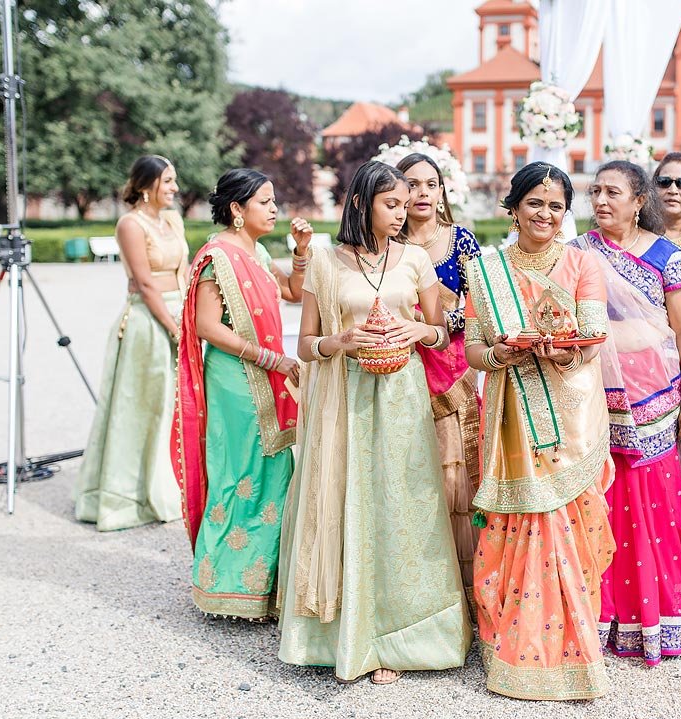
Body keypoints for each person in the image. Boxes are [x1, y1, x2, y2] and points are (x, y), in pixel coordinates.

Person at [277, 160, 470, 685]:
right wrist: (339, 341)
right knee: (350, 501)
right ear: (361, 203)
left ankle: (402, 636)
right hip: (347, 395)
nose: (402, 214)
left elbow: (439, 333)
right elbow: (305, 345)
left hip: (404, 398)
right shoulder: (324, 262)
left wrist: (417, 331)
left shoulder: (415, 260)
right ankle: (351, 634)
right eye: (392, 204)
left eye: (405, 205)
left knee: (403, 506)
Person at [464, 162, 615, 701]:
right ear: (514, 208)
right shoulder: (486, 270)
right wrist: (500, 354)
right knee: (520, 521)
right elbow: (473, 349)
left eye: (555, 206)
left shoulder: (582, 263)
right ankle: (513, 648)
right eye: (534, 203)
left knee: (567, 526)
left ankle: (573, 652)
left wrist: (560, 351)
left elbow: (592, 337)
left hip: (570, 415)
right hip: (513, 414)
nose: (545, 214)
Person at [571, 160, 681, 665]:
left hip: (657, 400)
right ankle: (602, 621)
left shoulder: (667, 256)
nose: (601, 201)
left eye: (613, 192)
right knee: (603, 505)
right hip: (595, 399)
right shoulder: (577, 253)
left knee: (656, 510)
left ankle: (656, 621)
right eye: (595, 191)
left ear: (639, 200)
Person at [172, 168, 312, 619]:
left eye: (274, 201)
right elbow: (206, 325)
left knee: (273, 472)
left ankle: (262, 587)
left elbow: (293, 292)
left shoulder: (257, 250)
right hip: (236, 380)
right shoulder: (217, 256)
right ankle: (224, 586)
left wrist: (302, 252)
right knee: (239, 473)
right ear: (237, 208)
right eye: (264, 202)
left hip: (264, 375)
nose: (274, 209)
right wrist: (271, 359)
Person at [75, 155, 187, 531]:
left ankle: (170, 485)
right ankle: (128, 495)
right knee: (142, 405)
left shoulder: (173, 220)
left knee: (172, 405)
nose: (174, 188)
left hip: (179, 313)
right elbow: (145, 283)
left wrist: (190, 317)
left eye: (173, 180)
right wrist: (173, 328)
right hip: (148, 320)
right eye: (167, 181)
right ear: (145, 186)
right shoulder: (130, 224)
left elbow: (183, 271)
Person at [395, 152, 483, 609]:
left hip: (452, 368)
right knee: (409, 469)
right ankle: (416, 591)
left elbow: (481, 305)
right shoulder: (386, 243)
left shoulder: (460, 240)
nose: (423, 193)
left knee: (455, 474)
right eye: (412, 184)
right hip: (398, 366)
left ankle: (464, 596)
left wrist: (434, 323)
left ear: (443, 190)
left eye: (431, 184)